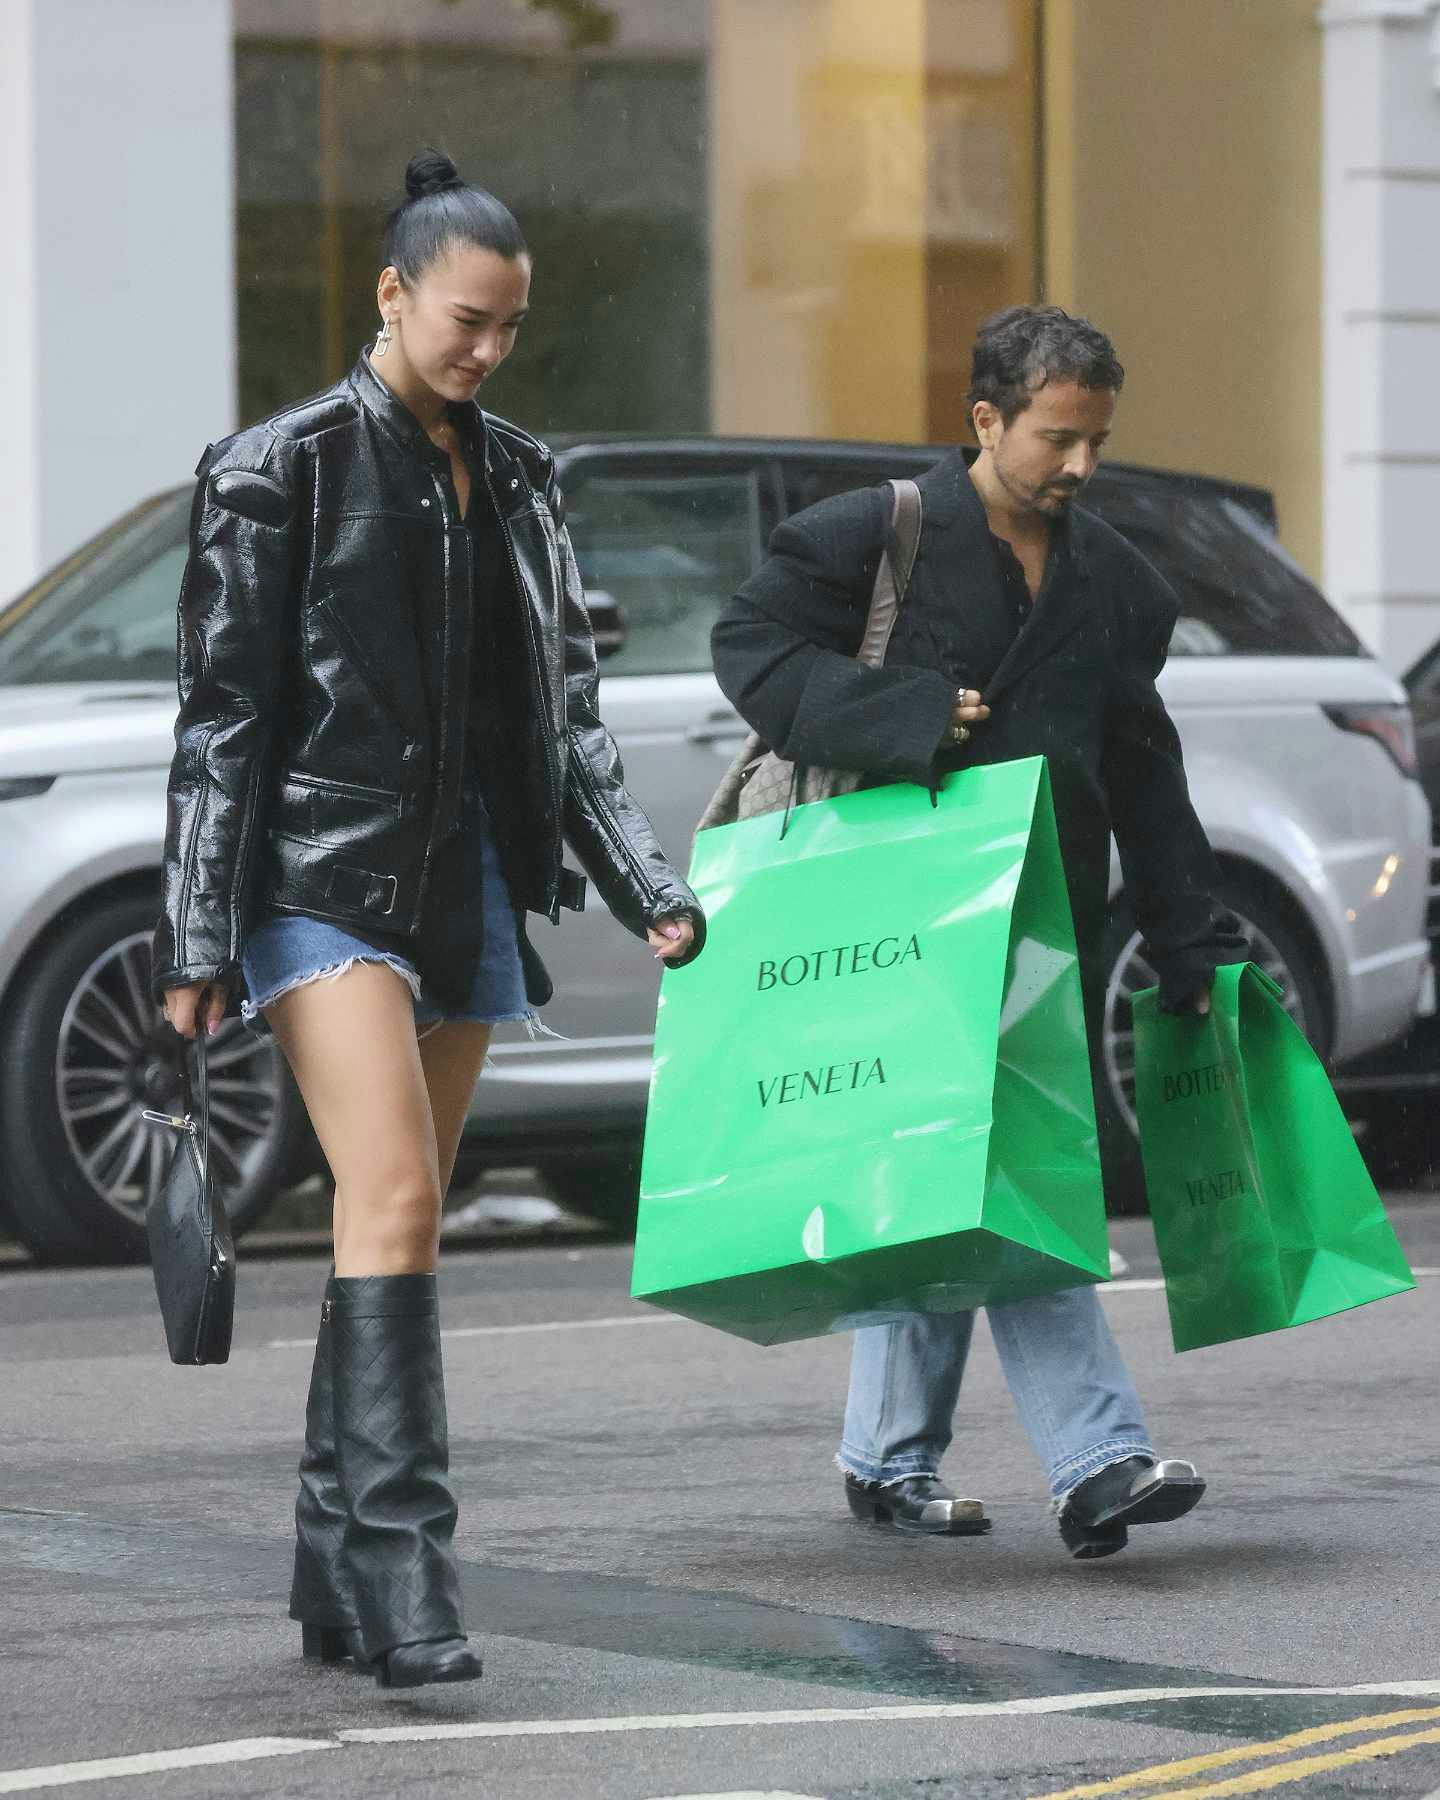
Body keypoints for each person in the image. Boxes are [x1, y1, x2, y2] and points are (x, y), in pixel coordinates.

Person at [153, 148, 704, 1685]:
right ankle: (407, 1574)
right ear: (391, 294)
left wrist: (645, 883)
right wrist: (197, 939)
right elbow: (221, 722)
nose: (485, 350)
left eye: (509, 328)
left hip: (465, 880)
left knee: (394, 1220)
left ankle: (334, 1561)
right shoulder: (277, 466)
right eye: (466, 318)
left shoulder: (520, 476)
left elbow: (568, 714)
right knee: (393, 1193)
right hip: (319, 878)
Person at [711, 304, 1242, 1559]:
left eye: (1098, 441)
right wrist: (895, 713)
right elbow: (750, 648)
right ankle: (1099, 1458)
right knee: (1005, 1176)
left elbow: (1143, 768)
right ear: (985, 419)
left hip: (1043, 924)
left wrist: (1189, 940)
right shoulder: (871, 532)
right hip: (895, 920)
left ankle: (888, 1458)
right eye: (1060, 438)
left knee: (944, 1177)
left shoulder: (1116, 582)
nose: (1082, 468)